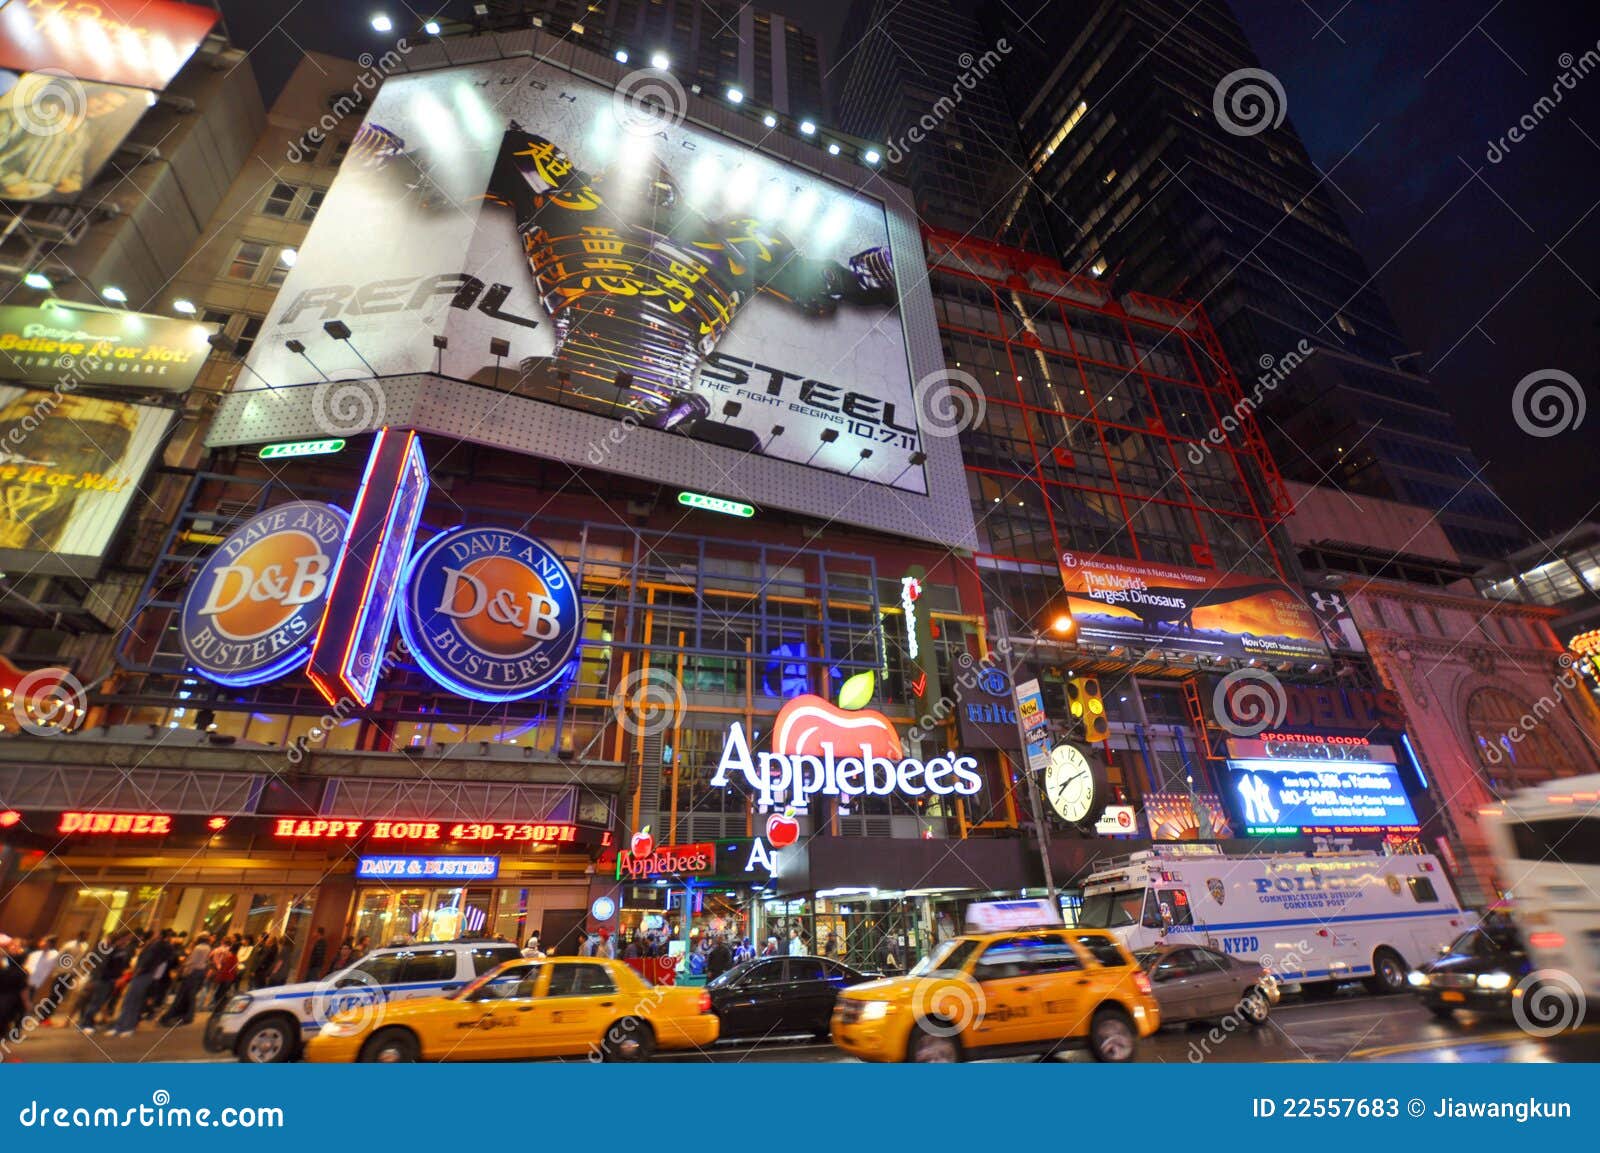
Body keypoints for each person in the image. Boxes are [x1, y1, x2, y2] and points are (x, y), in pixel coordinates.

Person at [111, 929, 174, 1036]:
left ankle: (127, 1026)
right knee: (130, 1000)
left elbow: (148, 960)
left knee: (133, 1000)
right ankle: (121, 1025)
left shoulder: (157, 946)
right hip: (143, 974)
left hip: (144, 974)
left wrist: (139, 970)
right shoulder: (153, 945)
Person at [77, 932, 131, 1033]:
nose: (127, 941)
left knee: (100, 1001)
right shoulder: (111, 950)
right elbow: (104, 965)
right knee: (96, 1002)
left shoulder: (119, 951)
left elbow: (119, 966)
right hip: (104, 980)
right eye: (125, 939)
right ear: (119, 940)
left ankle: (88, 1022)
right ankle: (84, 1023)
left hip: (109, 979)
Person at [161, 933, 211, 1026]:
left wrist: (184, 967)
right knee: (191, 994)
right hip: (200, 972)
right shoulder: (208, 948)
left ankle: (182, 1014)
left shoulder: (198, 948)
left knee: (185, 993)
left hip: (193, 972)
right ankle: (188, 1014)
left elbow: (192, 961)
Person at [0, 935, 31, 1046]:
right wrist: (27, 1003)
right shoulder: (21, 973)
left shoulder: (4, 970)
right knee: (6, 1019)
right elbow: (24, 989)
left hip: (4, 997)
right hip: (11, 1000)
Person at [23, 936, 59, 1022]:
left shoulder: (55, 955)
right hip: (27, 980)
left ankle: (22, 1021)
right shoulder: (35, 954)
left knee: (29, 1003)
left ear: (50, 944)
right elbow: (27, 965)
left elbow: (53, 970)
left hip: (39, 983)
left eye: (44, 941)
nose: (41, 943)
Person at [207, 937, 239, 1011]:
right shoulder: (234, 957)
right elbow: (234, 969)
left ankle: (212, 1006)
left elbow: (210, 958)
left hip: (220, 974)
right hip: (228, 977)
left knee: (216, 991)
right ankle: (216, 1007)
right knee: (221, 993)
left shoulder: (223, 953)